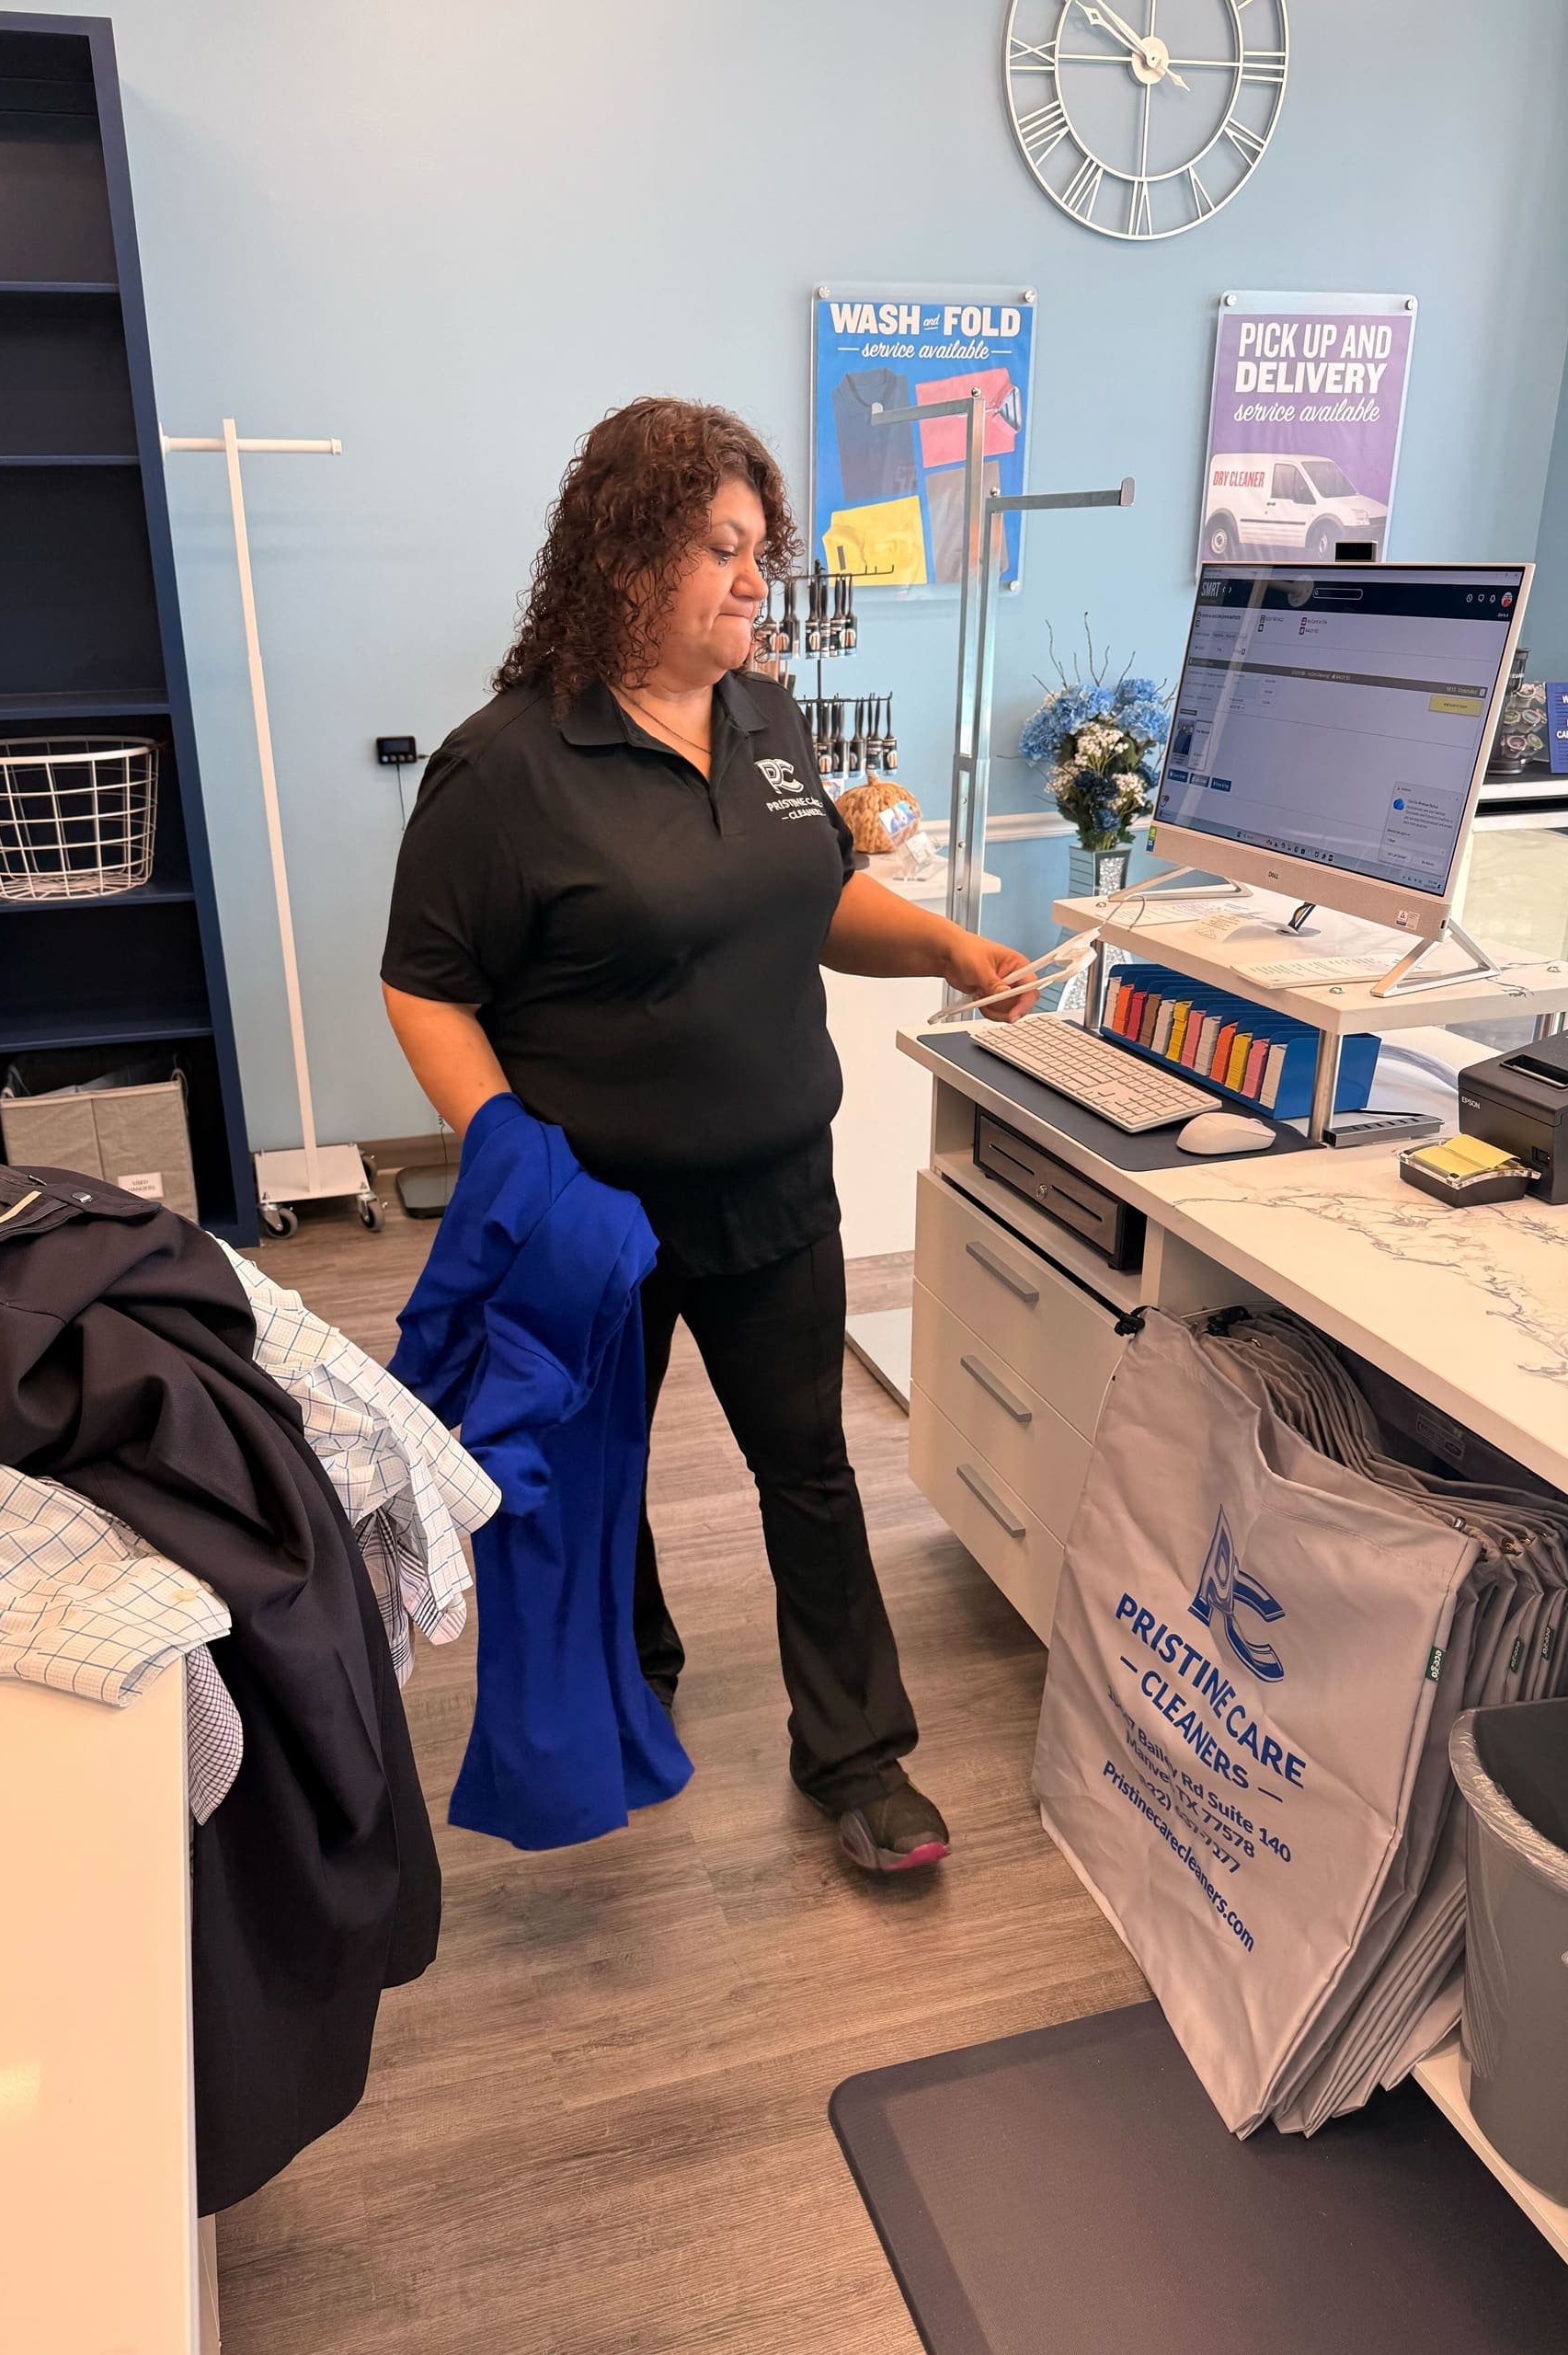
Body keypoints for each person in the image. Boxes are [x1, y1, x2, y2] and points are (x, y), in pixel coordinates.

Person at [381, 396, 1036, 1874]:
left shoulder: (767, 717)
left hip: (774, 1193)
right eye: (721, 550)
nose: (756, 581)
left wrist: (943, 945)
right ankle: (630, 1684)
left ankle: (857, 1756)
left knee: (807, 1467)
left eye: (762, 549)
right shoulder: (505, 768)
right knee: (599, 1468)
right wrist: (510, 1152)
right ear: (622, 560)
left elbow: (810, 901)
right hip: (594, 1210)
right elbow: (423, 986)